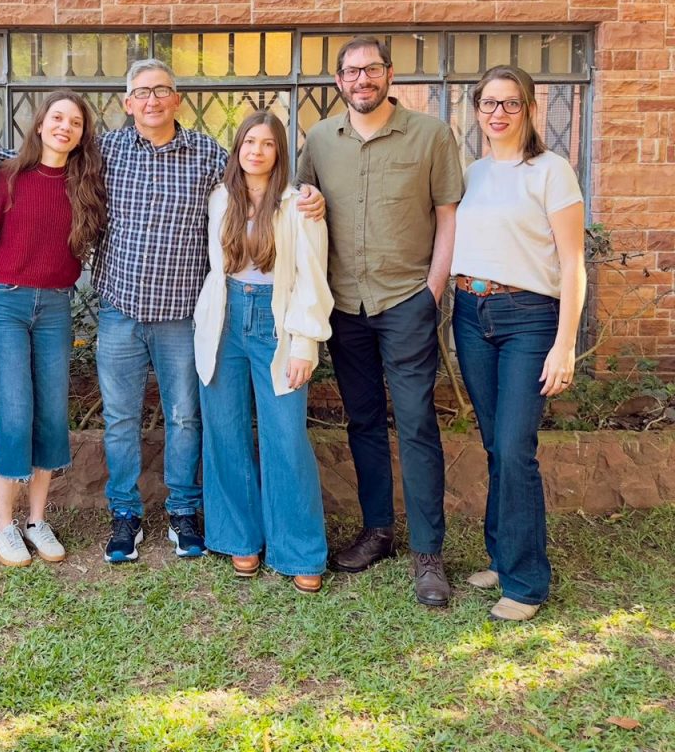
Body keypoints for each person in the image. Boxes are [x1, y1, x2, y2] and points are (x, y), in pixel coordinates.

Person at [94, 58, 325, 563]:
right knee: (127, 419)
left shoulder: (207, 157)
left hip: (186, 313)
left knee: (189, 419)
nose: (152, 100)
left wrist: (308, 195)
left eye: (162, 90)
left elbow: (262, 185)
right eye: (141, 92)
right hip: (126, 309)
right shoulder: (105, 150)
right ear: (127, 102)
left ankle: (188, 513)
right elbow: (47, 159)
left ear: (177, 99)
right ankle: (127, 516)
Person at [297, 36, 463, 607]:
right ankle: (377, 532)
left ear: (389, 74)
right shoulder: (321, 139)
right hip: (345, 305)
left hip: (406, 301)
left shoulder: (430, 136)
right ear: (338, 81)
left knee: (416, 423)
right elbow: (303, 209)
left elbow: (447, 217)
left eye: (371, 69)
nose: (361, 79)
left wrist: (432, 292)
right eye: (351, 72)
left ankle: (428, 554)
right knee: (363, 420)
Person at [451, 65, 585, 622]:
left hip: (528, 318)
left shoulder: (551, 171)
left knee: (513, 446)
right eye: (489, 103)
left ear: (529, 109)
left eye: (510, 103)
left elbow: (573, 262)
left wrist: (565, 344)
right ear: (477, 110)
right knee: (494, 445)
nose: (498, 113)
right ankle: (502, 558)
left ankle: (526, 583)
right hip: (469, 312)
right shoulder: (473, 173)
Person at [194, 111, 333, 593]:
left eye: (267, 143)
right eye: (249, 142)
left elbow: (313, 278)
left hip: (276, 322)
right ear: (237, 149)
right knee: (225, 431)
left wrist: (305, 343)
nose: (256, 151)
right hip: (224, 319)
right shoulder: (219, 199)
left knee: (286, 437)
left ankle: (300, 550)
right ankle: (240, 538)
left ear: (279, 153)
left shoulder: (299, 205)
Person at [0, 90, 106, 567]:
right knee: (15, 413)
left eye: (75, 122)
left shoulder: (86, 184)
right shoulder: (7, 176)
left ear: (82, 135)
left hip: (55, 306)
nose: (64, 127)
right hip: (7, 303)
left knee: (51, 414)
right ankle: (4, 525)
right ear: (39, 124)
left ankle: (37, 521)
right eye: (57, 117)